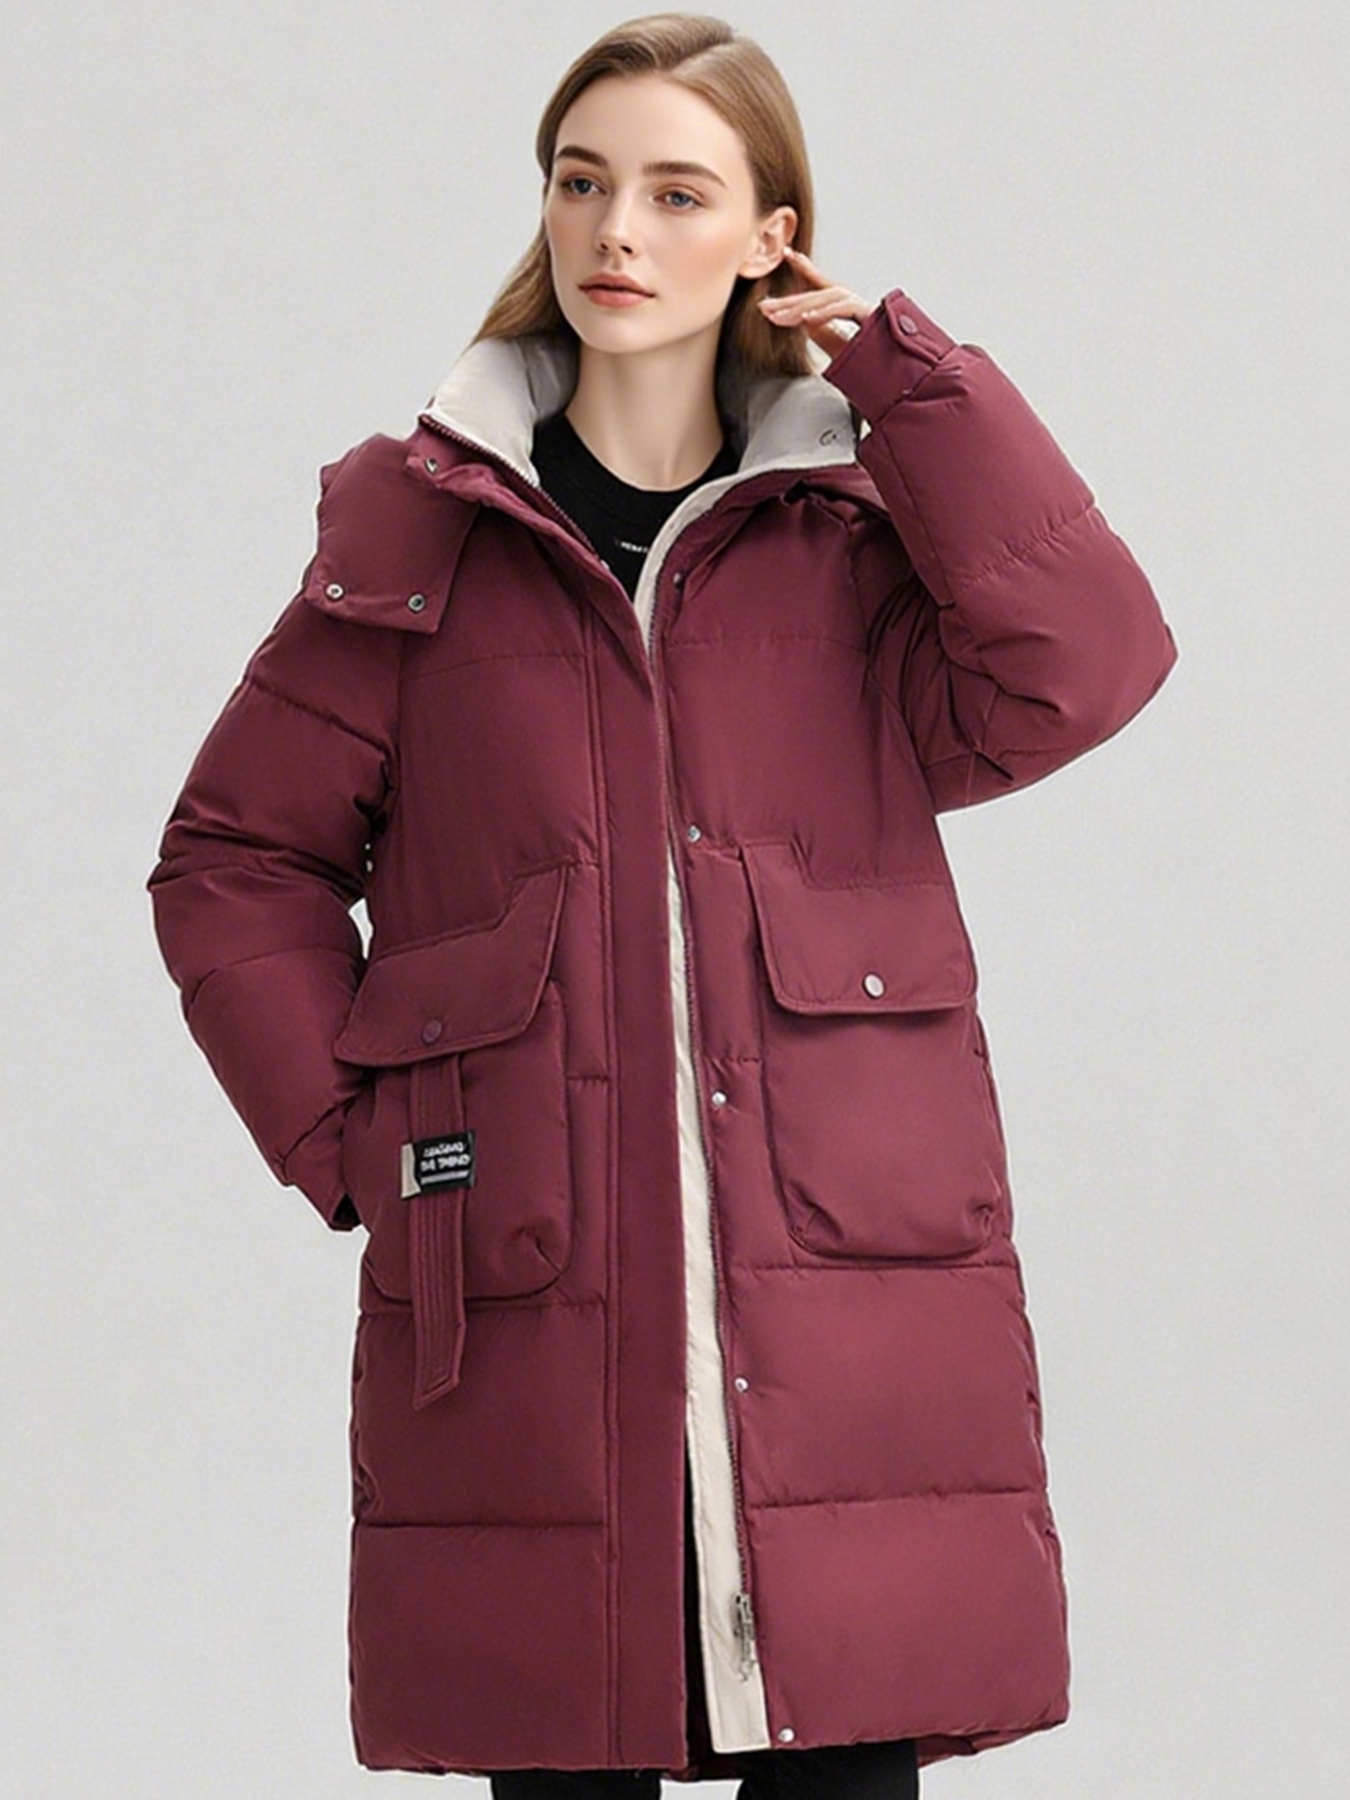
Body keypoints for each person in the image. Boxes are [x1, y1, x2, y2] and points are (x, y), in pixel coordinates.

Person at [145, 11, 1179, 1797]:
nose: (615, 231)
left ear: (771, 234)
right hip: (527, 1300)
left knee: (843, 1755)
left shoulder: (853, 546)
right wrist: (355, 1141)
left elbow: (1085, 663)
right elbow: (234, 860)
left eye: (677, 192)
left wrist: (911, 382)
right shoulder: (424, 536)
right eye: (581, 182)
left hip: (849, 1307)